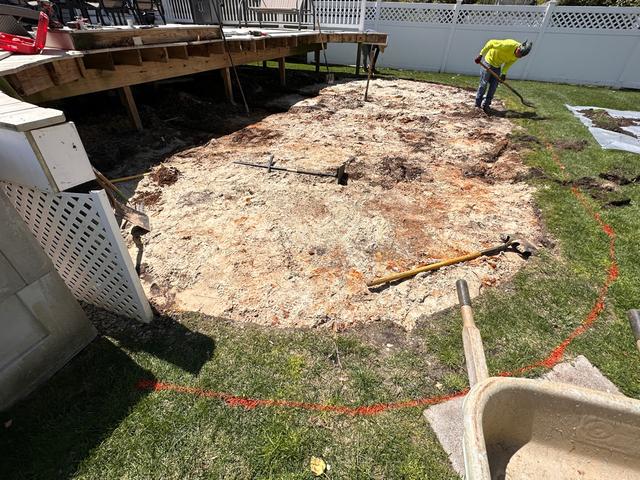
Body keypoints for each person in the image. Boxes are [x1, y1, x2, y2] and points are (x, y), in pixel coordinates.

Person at [474, 39, 532, 113]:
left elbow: (508, 64)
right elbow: (491, 43)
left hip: (497, 66)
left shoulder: (517, 56)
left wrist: (503, 73)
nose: (518, 56)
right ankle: (477, 105)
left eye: (521, 56)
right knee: (483, 84)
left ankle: (486, 105)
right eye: (519, 53)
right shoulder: (508, 45)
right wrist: (481, 54)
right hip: (488, 62)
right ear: (518, 47)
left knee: (494, 86)